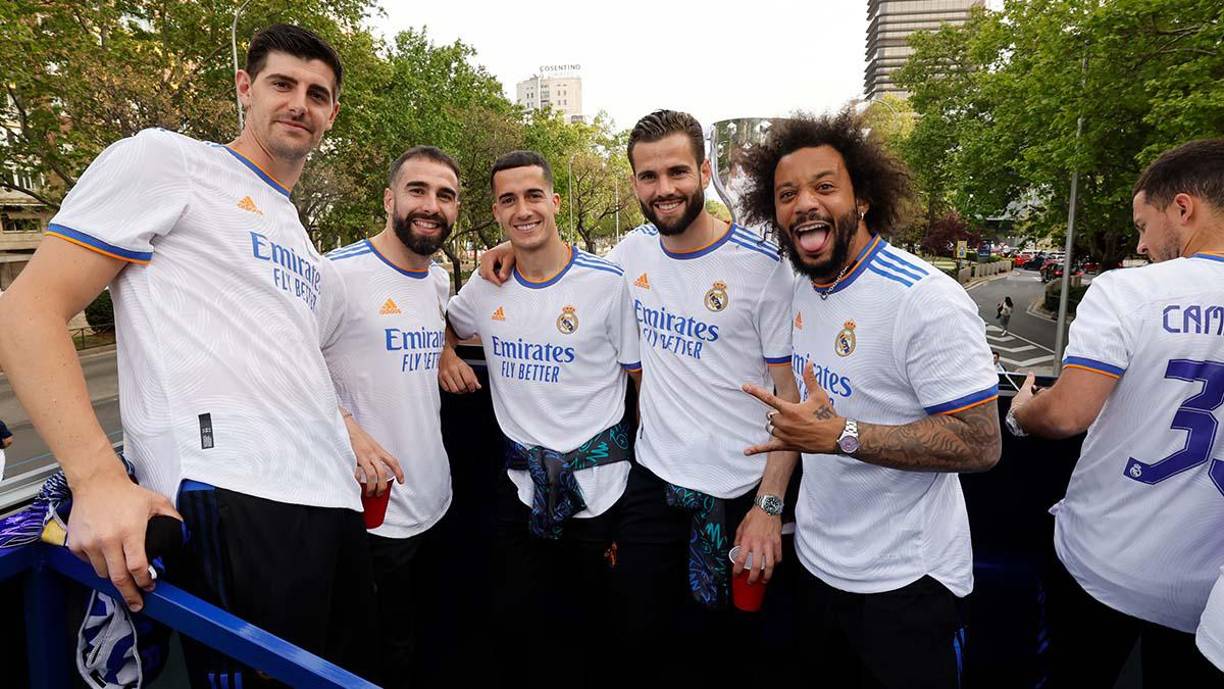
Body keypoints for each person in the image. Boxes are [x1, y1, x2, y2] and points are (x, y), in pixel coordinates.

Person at [0, 24, 379, 685]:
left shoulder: (293, 225)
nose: (300, 103)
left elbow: (288, 357)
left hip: (333, 506)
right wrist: (96, 478)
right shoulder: (168, 160)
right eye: (282, 84)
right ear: (244, 88)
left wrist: (348, 428)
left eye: (318, 94)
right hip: (236, 498)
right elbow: (26, 311)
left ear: (332, 115)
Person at [478, 111, 799, 683]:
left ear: (704, 172)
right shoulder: (630, 255)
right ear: (633, 184)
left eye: (678, 172)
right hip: (651, 483)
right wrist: (505, 251)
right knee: (634, 640)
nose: (664, 189)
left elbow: (790, 395)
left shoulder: (762, 267)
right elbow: (561, 266)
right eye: (648, 177)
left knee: (733, 650)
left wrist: (768, 506)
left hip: (740, 491)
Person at [737, 110, 1002, 688]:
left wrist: (844, 437)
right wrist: (770, 503)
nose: (804, 202)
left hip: (907, 585)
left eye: (824, 187)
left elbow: (981, 443)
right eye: (787, 193)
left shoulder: (926, 300)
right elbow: (798, 420)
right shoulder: (804, 287)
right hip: (817, 569)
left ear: (862, 200)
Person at [1008, 139, 1224, 687]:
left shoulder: (1129, 292)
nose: (1142, 243)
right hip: (1208, 600)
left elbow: (1066, 415)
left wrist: (1024, 412)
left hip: (1106, 565)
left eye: (1143, 224)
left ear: (1182, 208)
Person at [442, 150, 641, 687]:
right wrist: (443, 354)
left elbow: (642, 383)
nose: (523, 209)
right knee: (518, 628)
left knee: (602, 634)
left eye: (533, 196)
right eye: (508, 199)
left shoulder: (608, 283)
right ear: (496, 210)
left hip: (601, 492)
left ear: (555, 201)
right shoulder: (486, 285)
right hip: (519, 492)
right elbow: (443, 323)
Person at [322, 145, 463, 687]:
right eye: (418, 191)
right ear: (389, 198)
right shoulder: (336, 275)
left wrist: (447, 349)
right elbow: (284, 370)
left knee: (433, 639)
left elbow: (433, 325)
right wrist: (348, 428)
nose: (431, 205)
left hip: (438, 500)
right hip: (373, 513)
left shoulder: (437, 281)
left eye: (445, 195)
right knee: (381, 655)